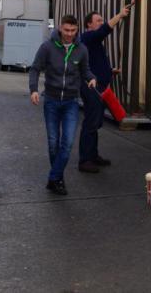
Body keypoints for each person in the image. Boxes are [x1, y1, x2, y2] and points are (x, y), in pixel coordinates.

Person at [29, 14, 96, 195]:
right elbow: (35, 68)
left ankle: (54, 177)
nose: (69, 34)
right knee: (53, 143)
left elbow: (85, 70)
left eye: (73, 31)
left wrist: (91, 78)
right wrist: (33, 89)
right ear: (60, 28)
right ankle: (57, 178)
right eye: (66, 30)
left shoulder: (81, 49)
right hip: (51, 101)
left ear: (77, 30)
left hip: (71, 102)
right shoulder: (47, 47)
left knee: (67, 143)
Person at [77, 4, 130, 173]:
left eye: (101, 20)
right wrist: (120, 15)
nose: (101, 22)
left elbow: (94, 63)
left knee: (96, 122)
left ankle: (93, 156)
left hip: (100, 87)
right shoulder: (87, 37)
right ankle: (85, 160)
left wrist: (110, 71)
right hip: (91, 87)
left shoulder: (94, 42)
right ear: (89, 25)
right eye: (98, 20)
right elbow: (104, 30)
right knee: (91, 122)